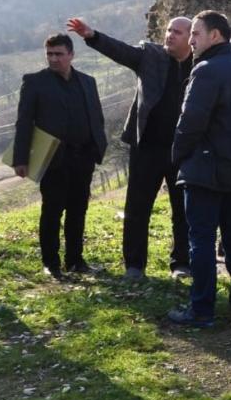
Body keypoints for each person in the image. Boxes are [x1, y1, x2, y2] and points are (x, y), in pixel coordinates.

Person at [67, 15, 194, 281]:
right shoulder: (151, 56)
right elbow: (121, 52)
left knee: (183, 209)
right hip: (146, 146)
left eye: (178, 32)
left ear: (192, 38)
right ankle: (134, 265)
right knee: (137, 207)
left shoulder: (201, 64)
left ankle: (181, 262)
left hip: (183, 150)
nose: (170, 35)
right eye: (169, 30)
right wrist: (93, 36)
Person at [167, 11, 231, 328]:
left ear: (215, 36)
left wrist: (178, 158)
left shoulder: (206, 71)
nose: (191, 39)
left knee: (200, 240)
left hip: (206, 169)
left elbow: (190, 123)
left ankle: (202, 310)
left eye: (196, 33)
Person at [12, 34, 107, 279]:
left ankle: (75, 261)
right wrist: (20, 158)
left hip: (83, 156)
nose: (53, 59)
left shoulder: (87, 82)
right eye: (50, 54)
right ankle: (51, 263)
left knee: (78, 209)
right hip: (54, 159)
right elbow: (24, 122)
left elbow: (96, 116)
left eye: (59, 54)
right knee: (52, 211)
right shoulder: (35, 82)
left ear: (71, 54)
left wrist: (98, 147)